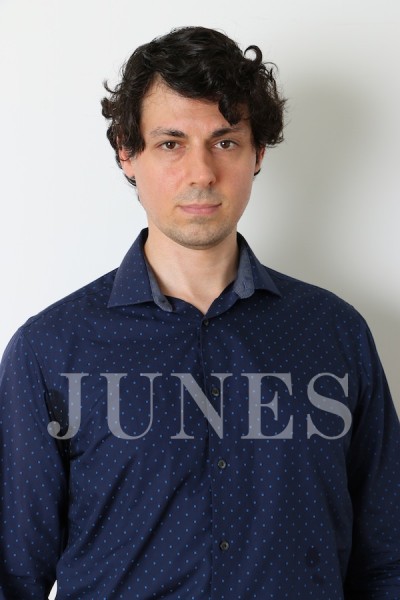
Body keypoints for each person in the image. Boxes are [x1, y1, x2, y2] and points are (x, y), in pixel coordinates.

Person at [0, 25, 399, 599]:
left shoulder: (336, 334)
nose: (201, 173)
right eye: (171, 143)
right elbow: (15, 574)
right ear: (127, 153)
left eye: (225, 142)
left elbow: (387, 561)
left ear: (258, 153)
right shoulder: (50, 351)